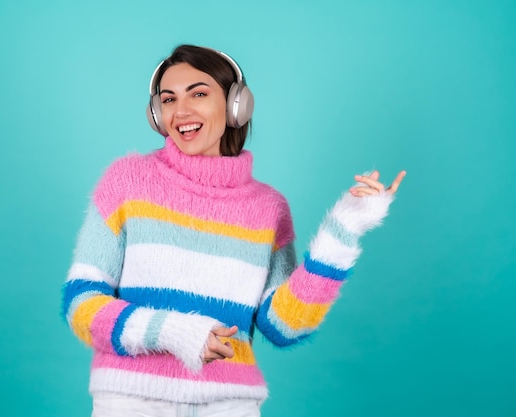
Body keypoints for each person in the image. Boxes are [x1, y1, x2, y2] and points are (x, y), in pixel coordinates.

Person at [61, 44, 406, 417]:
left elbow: (284, 326)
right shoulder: (127, 181)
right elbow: (81, 302)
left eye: (199, 93)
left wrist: (345, 227)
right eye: (169, 99)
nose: (182, 111)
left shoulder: (268, 208)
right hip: (131, 402)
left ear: (236, 105)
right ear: (156, 115)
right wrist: (174, 332)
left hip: (230, 405)